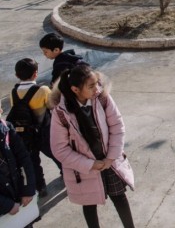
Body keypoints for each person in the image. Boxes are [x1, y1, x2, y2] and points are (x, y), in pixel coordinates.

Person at [49, 64, 135, 228]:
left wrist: (111, 157)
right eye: (91, 86)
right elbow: (60, 149)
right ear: (75, 89)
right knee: (89, 205)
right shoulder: (61, 113)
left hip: (109, 162)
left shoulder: (102, 98)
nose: (97, 89)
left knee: (120, 197)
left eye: (97, 83)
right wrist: (89, 164)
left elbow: (117, 126)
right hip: (84, 169)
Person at [10, 58, 60, 197]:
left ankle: (40, 187)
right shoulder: (42, 90)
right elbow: (52, 106)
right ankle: (66, 173)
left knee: (33, 161)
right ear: (35, 74)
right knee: (56, 154)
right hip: (43, 131)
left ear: (16, 75)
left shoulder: (14, 92)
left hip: (25, 134)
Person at [0, 102, 36, 222]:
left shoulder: (6, 128)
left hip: (17, 197)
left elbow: (24, 159)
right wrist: (6, 205)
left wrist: (27, 189)